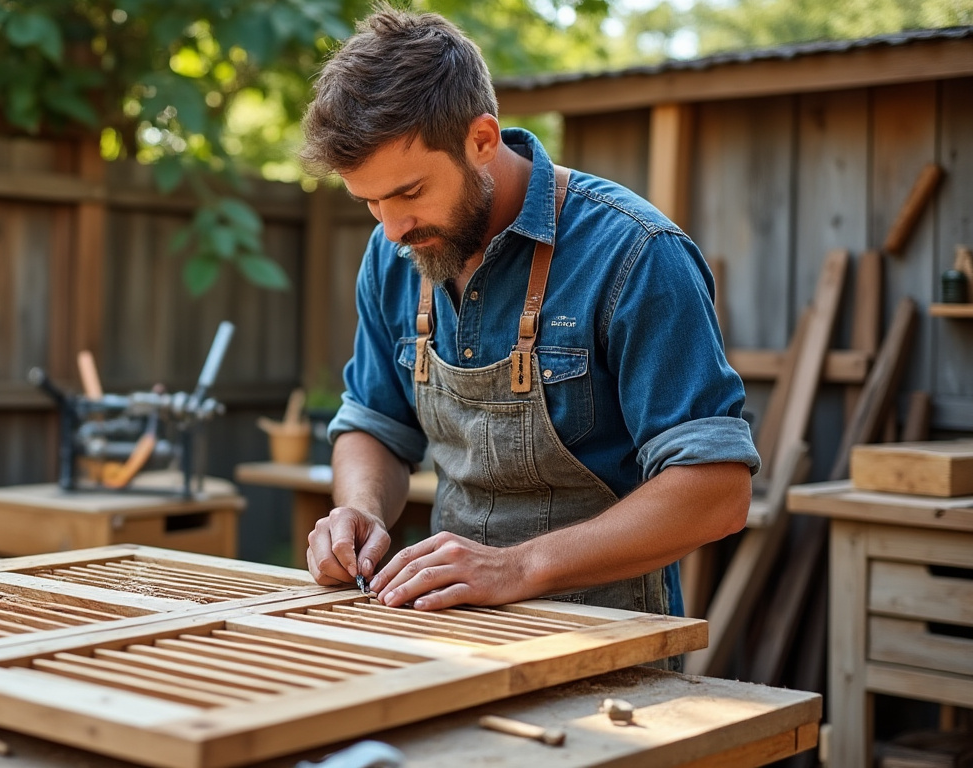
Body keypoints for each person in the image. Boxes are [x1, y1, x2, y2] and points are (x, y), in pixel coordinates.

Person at [297, 5, 759, 621]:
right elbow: (375, 423)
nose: (392, 228)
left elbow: (717, 491)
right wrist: (361, 508)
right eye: (371, 202)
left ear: (482, 140)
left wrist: (516, 567)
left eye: (409, 192)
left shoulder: (636, 254)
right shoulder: (395, 254)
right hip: (447, 624)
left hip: (607, 637)